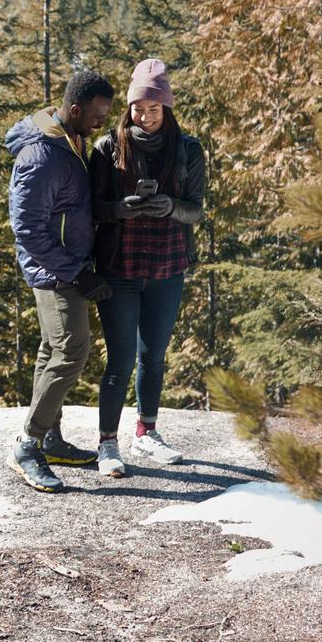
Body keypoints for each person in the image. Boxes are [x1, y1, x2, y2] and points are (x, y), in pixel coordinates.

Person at [88, 58, 207, 476]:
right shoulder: (108, 147)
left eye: (154, 109)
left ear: (167, 109)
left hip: (168, 266)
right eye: (138, 107)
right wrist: (120, 209)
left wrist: (172, 207)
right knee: (120, 360)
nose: (145, 115)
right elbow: (92, 210)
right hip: (119, 267)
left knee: (153, 356)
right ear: (129, 107)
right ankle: (107, 444)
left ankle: (146, 432)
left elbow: (196, 210)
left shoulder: (188, 149)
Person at [4, 69, 115, 493]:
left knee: (53, 348)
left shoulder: (68, 141)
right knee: (72, 350)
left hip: (65, 264)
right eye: (97, 115)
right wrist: (76, 273)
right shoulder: (42, 156)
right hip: (55, 270)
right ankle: (27, 445)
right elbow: (28, 230)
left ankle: (49, 438)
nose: (101, 122)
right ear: (73, 110)